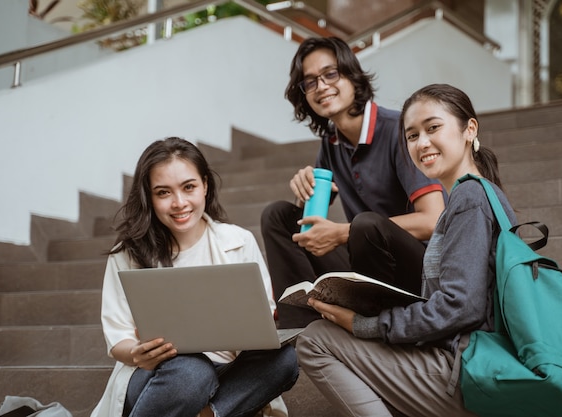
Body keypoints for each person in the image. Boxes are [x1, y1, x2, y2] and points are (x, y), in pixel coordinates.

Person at [294, 83, 518, 417]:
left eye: (433, 128)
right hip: (461, 359)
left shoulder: (470, 199)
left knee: (314, 341)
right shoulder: (474, 196)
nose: (422, 143)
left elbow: (459, 306)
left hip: (464, 370)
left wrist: (363, 325)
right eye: (412, 136)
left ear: (470, 129)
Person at [91, 137, 299, 417]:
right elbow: (118, 337)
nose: (179, 203)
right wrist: (136, 354)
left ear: (205, 186)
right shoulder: (126, 254)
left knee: (285, 360)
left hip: (230, 374)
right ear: (149, 198)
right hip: (160, 376)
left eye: (188, 187)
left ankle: (208, 414)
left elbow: (264, 314)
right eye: (163, 192)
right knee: (192, 370)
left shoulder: (239, 240)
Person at [261, 37, 446, 328]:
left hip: (417, 271)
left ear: (352, 74)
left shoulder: (398, 129)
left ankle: (372, 320)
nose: (321, 86)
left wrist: (343, 232)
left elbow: (434, 220)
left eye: (330, 74)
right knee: (278, 216)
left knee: (365, 224)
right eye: (310, 82)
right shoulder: (331, 143)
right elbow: (312, 227)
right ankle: (299, 328)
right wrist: (304, 190)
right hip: (364, 265)